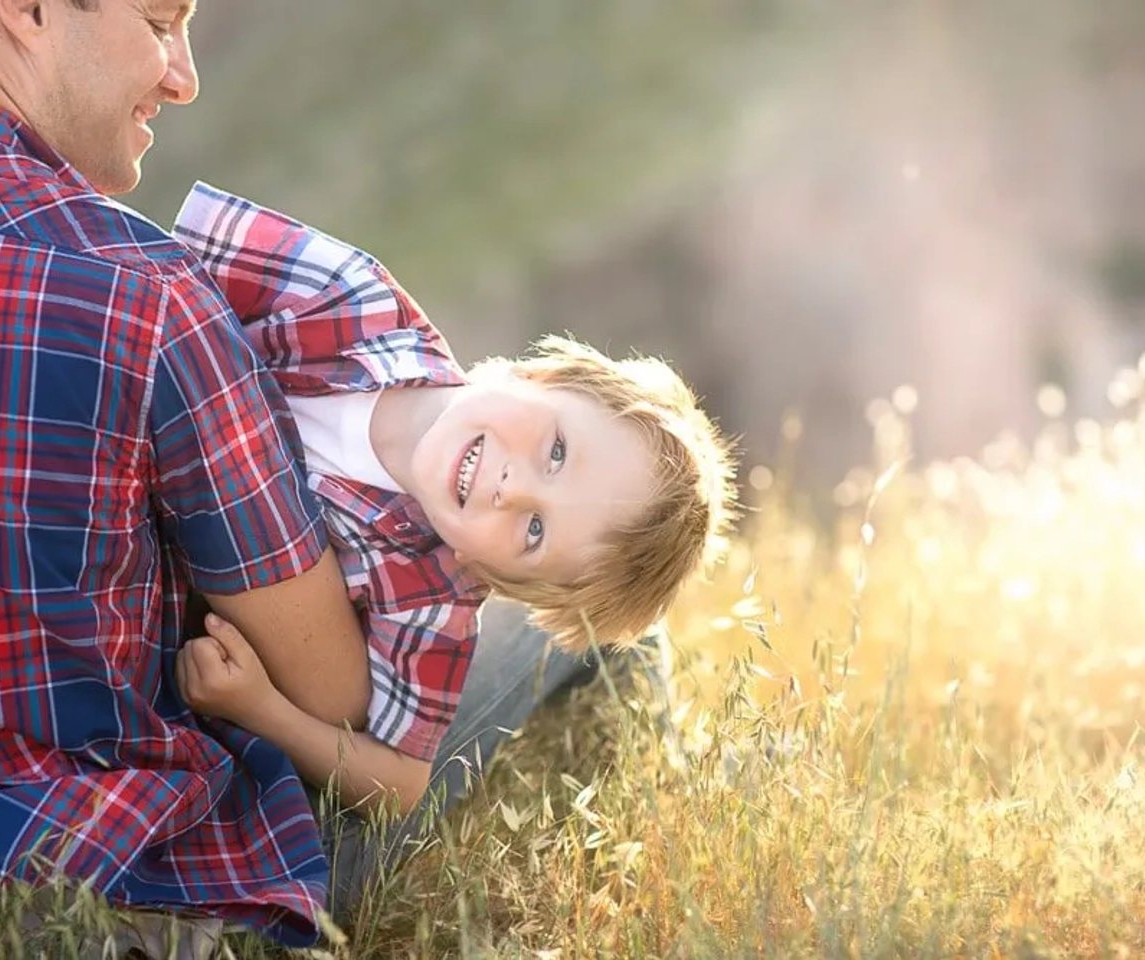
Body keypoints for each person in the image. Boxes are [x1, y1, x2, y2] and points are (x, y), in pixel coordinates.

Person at [0, 0, 373, 949]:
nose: (183, 76)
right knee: (555, 643)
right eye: (161, 21)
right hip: (99, 878)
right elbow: (328, 695)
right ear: (26, 9)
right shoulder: (142, 288)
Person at [168, 183, 738, 824]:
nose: (511, 488)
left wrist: (261, 709)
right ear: (538, 375)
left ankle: (664, 758)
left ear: (489, 574)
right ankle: (653, 708)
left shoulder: (432, 597)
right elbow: (147, 269)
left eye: (533, 531)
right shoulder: (349, 299)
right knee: (614, 645)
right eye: (556, 451)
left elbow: (400, 787)